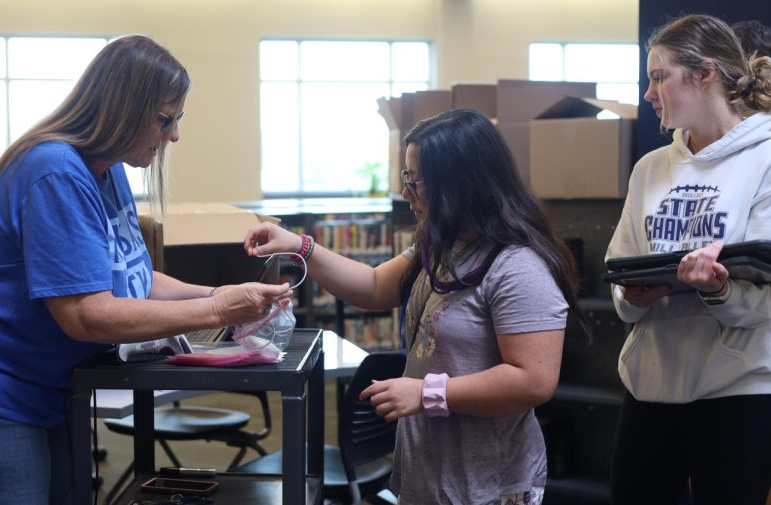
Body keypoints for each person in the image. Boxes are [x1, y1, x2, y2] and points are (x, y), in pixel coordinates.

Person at [0, 35, 290, 505]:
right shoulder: (57, 172)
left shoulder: (107, 171)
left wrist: (218, 292)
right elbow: (88, 315)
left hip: (41, 388)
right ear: (124, 108)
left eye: (178, 119)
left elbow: (137, 279)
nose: (174, 135)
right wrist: (218, 311)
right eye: (165, 119)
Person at [245, 108, 586, 504]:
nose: (406, 192)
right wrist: (299, 245)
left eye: (416, 181)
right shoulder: (442, 245)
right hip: (431, 473)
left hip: (488, 484)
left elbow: (533, 380)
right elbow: (373, 287)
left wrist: (427, 392)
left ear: (461, 184)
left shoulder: (518, 267)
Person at [605, 13, 771, 505]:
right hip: (649, 385)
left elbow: (764, 299)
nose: (648, 94)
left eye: (659, 77)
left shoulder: (764, 158)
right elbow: (620, 274)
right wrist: (633, 296)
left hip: (737, 390)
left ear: (706, 75)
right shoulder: (650, 168)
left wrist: (717, 289)